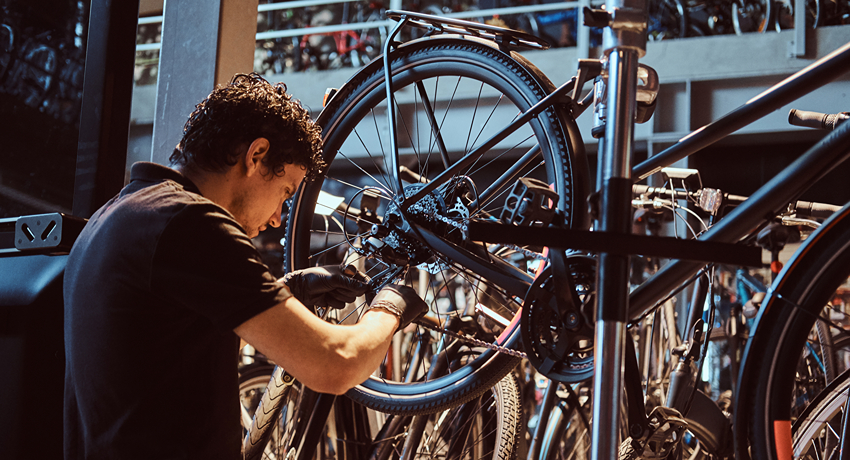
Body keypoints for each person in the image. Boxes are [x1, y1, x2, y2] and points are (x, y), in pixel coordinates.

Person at [63, 73, 428, 459]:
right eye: (285, 192)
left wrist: (289, 290)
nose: (276, 218)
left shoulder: (118, 216)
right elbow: (335, 364)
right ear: (255, 156)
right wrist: (389, 307)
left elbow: (171, 342)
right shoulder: (192, 224)